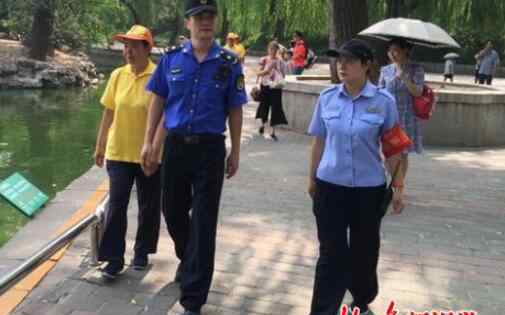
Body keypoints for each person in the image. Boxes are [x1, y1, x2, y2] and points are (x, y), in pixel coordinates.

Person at [142, 0, 247, 314]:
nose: (205, 21)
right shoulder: (171, 60)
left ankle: (193, 299)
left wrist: (236, 151)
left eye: (210, 16)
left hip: (210, 150)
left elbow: (236, 109)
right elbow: (158, 101)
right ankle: (190, 261)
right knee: (171, 211)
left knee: (203, 222)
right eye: (199, 17)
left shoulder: (229, 63)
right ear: (187, 22)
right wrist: (149, 142)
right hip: (175, 146)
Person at [307, 39, 407, 315]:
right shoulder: (327, 98)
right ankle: (323, 309)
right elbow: (318, 142)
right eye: (339, 60)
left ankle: (362, 298)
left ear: (366, 65)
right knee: (331, 253)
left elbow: (394, 149)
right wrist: (312, 180)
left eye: (349, 61)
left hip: (368, 191)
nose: (342, 66)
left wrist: (398, 186)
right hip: (330, 188)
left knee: (364, 252)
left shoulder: (383, 102)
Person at [94, 25, 161, 279]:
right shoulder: (117, 76)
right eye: (126, 46)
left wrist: (154, 147)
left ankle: (142, 252)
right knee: (117, 204)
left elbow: (164, 115)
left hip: (150, 155)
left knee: (148, 205)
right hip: (119, 151)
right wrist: (100, 146)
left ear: (147, 48)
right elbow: (109, 112)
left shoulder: (158, 76)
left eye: (134, 46)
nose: (128, 51)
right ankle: (113, 258)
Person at [378, 37, 425, 195]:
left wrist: (404, 78)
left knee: (402, 153)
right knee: (387, 152)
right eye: (390, 50)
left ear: (406, 50)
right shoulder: (385, 70)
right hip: (388, 117)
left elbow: (418, 92)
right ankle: (391, 182)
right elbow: (379, 92)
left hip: (407, 117)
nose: (392, 53)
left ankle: (398, 187)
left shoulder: (416, 69)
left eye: (396, 50)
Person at [255, 41, 288, 141]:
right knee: (264, 105)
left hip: (276, 87)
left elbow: (284, 74)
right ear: (268, 49)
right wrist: (267, 70)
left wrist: (278, 79)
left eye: (274, 49)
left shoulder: (281, 61)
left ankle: (273, 131)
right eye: (271, 49)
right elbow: (258, 72)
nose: (272, 51)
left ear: (277, 50)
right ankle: (263, 125)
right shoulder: (264, 59)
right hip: (265, 85)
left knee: (276, 107)